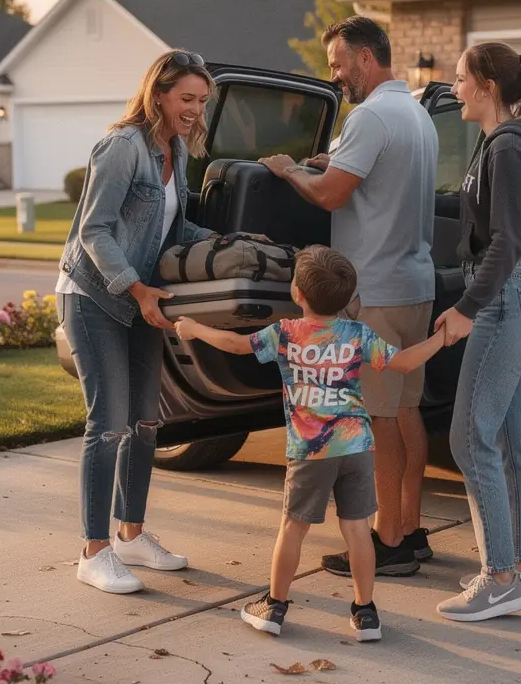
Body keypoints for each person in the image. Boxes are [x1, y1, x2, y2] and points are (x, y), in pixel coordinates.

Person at [175, 246, 445, 641]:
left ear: (297, 293)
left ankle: (274, 605)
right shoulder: (358, 334)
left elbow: (235, 345)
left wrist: (194, 329)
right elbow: (403, 362)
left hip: (310, 451)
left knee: (293, 528)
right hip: (355, 448)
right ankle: (366, 612)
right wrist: (441, 337)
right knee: (356, 529)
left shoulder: (285, 333)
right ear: (349, 297)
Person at [259, 16, 439, 578]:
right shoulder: (417, 114)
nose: (336, 76)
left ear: (365, 57)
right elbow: (366, 177)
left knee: (379, 419)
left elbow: (334, 196)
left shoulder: (370, 116)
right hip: (416, 284)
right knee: (406, 410)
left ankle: (387, 541)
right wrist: (329, 164)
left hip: (376, 291)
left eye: (338, 64)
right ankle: (410, 528)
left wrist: (291, 171)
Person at [56, 50, 217, 595]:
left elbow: (169, 228)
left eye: (201, 101)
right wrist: (138, 287)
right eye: (187, 99)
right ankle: (93, 551)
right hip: (94, 298)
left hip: (142, 301)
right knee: (109, 426)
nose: (195, 110)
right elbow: (94, 232)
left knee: (147, 423)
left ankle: (130, 535)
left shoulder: (176, 152)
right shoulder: (122, 147)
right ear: (159, 95)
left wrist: (225, 243)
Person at [433, 43, 521, 623]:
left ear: (487, 85)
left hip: (505, 300)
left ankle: (500, 579)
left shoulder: (508, 148)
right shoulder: (509, 142)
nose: (453, 87)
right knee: (512, 440)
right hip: (520, 297)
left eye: (460, 79)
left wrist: (466, 307)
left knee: (468, 439)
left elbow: (507, 242)